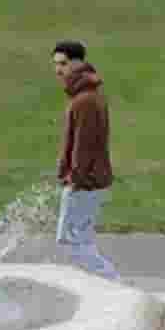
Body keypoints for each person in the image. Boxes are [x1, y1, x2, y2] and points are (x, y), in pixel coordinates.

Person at [50, 41, 116, 279]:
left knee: (71, 242)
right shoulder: (86, 95)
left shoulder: (85, 100)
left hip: (84, 182)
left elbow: (84, 145)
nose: (58, 70)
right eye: (56, 64)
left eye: (63, 64)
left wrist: (74, 179)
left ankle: (115, 287)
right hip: (89, 180)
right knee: (80, 242)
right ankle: (106, 288)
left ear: (78, 63)